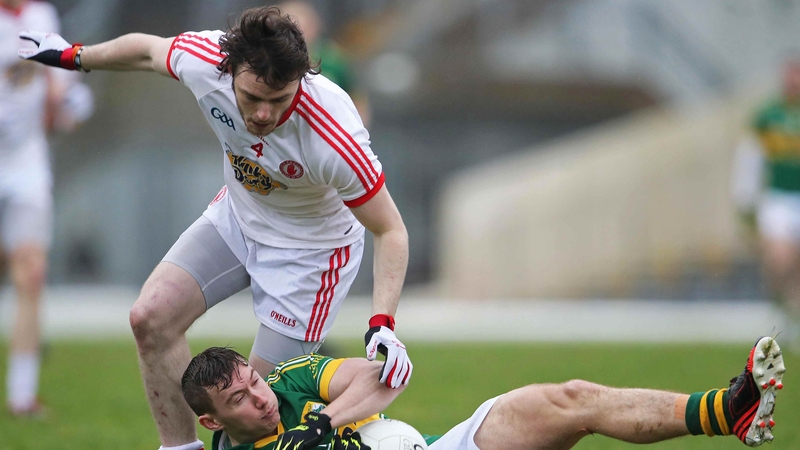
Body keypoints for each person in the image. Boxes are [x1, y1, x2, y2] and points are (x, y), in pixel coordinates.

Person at [18, 5, 411, 449]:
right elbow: (147, 51)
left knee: (255, 407)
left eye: (279, 100)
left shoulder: (333, 135)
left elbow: (390, 230)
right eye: (251, 97)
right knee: (150, 317)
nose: (263, 114)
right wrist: (74, 56)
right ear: (229, 71)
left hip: (311, 256)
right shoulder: (205, 59)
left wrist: (383, 324)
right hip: (239, 218)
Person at [182, 336, 786, 450]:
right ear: (212, 423)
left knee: (567, 399)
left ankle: (726, 412)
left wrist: (319, 426)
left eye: (253, 380)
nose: (259, 398)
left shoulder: (289, 383)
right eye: (238, 400)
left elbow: (377, 380)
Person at [2, 0, 92, 417]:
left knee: (32, 272)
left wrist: (65, 102)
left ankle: (22, 396)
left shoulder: (41, 17)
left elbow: (64, 89)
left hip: (26, 163)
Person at [731, 59, 800, 352]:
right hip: (778, 198)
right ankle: (783, 307)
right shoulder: (768, 117)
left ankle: (793, 315)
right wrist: (745, 203)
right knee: (779, 259)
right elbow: (749, 161)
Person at [278, 0, 371, 127]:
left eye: (304, 27)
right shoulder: (270, 61)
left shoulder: (333, 59)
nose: (300, 33)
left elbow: (356, 98)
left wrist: (358, 129)